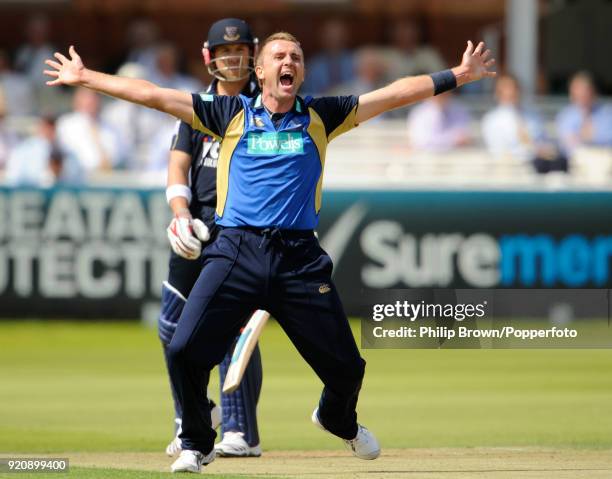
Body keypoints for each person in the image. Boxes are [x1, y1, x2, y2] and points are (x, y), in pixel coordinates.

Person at [44, 33, 495, 474]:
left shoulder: (323, 114)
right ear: (259, 71)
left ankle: (337, 419)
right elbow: (153, 95)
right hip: (235, 251)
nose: (289, 63)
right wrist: (85, 77)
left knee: (347, 370)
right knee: (183, 350)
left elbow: (394, 94)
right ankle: (196, 445)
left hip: (298, 258)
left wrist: (457, 74)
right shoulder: (228, 112)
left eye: (297, 57)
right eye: (280, 56)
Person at [160, 18, 263, 459]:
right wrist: (180, 214)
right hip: (197, 226)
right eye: (224, 52)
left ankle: (241, 430)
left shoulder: (269, 105)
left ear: (253, 54)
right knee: (170, 322)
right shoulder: (199, 106)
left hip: (242, 227)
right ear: (209, 56)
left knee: (232, 328)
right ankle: (194, 413)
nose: (232, 59)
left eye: (239, 51)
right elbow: (178, 164)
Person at [482, 74, 567, 173]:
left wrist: (543, 150)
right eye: (507, 88)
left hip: (539, 168)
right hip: (510, 171)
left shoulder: (533, 116)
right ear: (498, 92)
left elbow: (544, 140)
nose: (512, 92)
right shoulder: (492, 120)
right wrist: (531, 152)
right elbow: (498, 151)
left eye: (515, 87)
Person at [555, 71, 612, 159]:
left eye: (585, 90)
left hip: (603, 158)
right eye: (577, 90)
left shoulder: (606, 113)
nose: (581, 94)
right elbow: (567, 144)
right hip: (576, 161)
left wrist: (590, 137)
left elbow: (608, 139)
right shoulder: (566, 115)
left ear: (593, 91)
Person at [407, 91, 472, 152]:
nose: (441, 95)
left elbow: (463, 135)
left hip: (456, 157)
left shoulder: (459, 109)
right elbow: (422, 142)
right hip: (426, 158)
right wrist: (452, 140)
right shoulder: (419, 112)